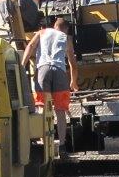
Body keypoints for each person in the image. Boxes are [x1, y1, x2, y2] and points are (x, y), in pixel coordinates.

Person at [23, 17, 78, 153]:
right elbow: (72, 63)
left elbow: (30, 47)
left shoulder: (42, 32)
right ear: (66, 28)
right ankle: (63, 145)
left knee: (42, 108)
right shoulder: (67, 38)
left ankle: (44, 144)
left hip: (43, 70)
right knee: (60, 111)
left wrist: (22, 65)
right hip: (59, 71)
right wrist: (73, 81)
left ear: (55, 26)